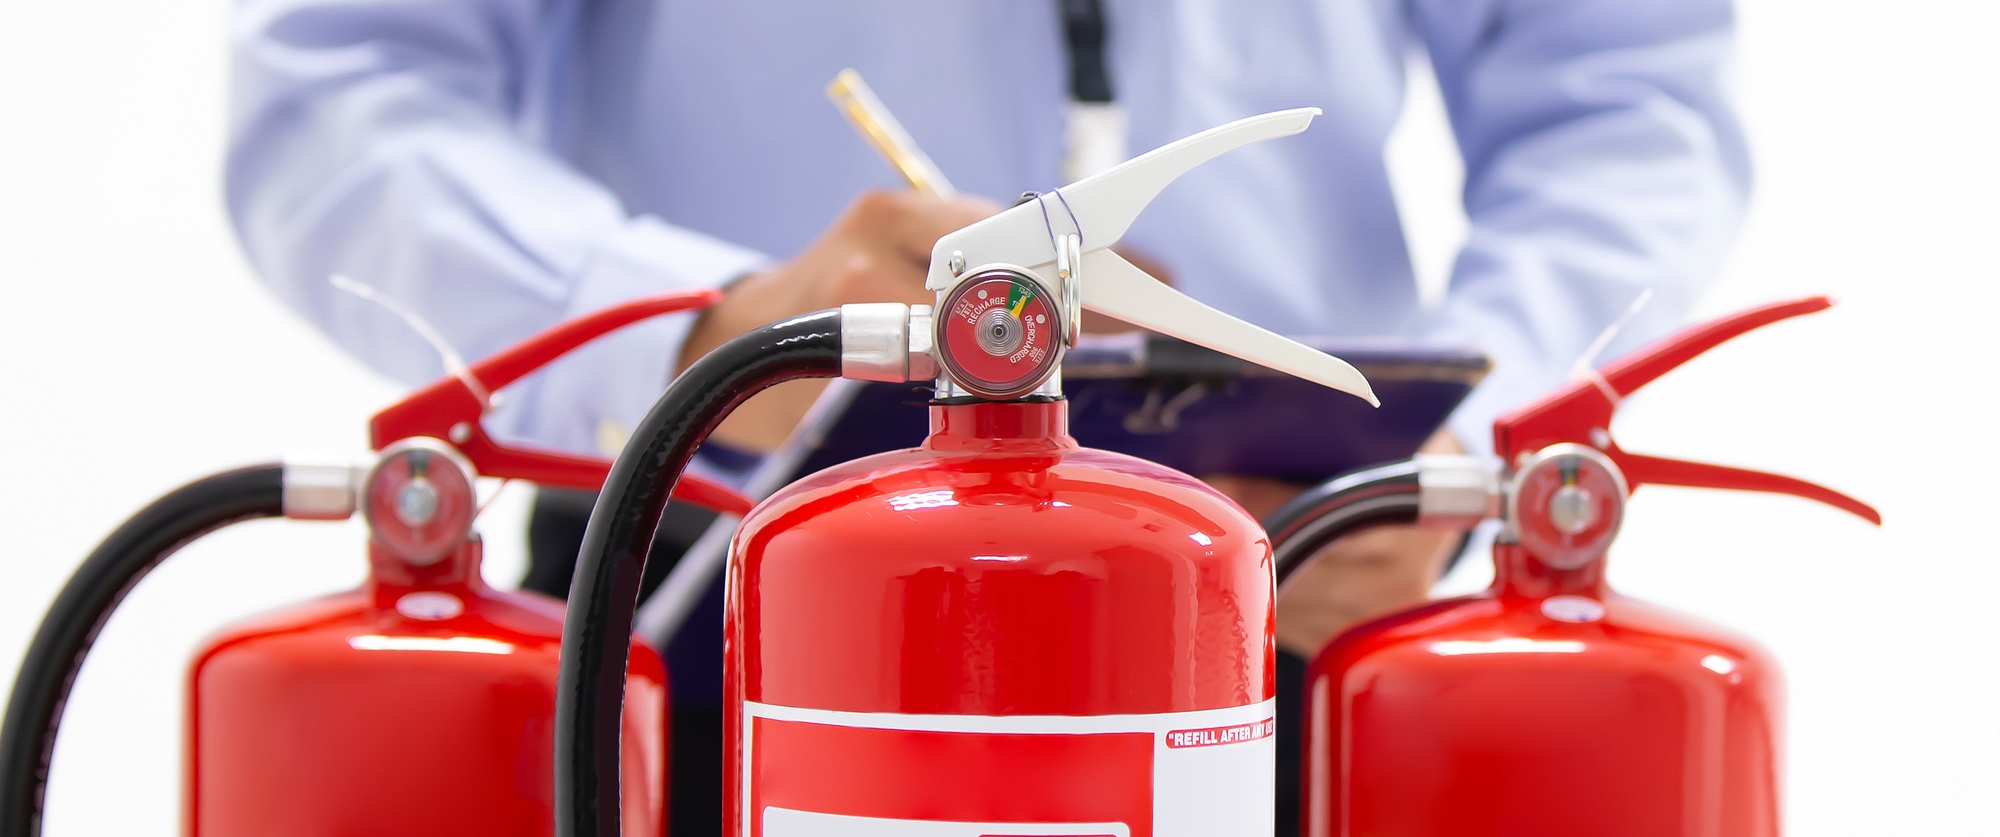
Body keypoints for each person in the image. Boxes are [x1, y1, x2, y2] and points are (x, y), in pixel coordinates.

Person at [225, 0, 1748, 833]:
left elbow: (1630, 94)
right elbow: (346, 84)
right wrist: (694, 325)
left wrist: (1458, 446)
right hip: (689, 583)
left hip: (1307, 592)